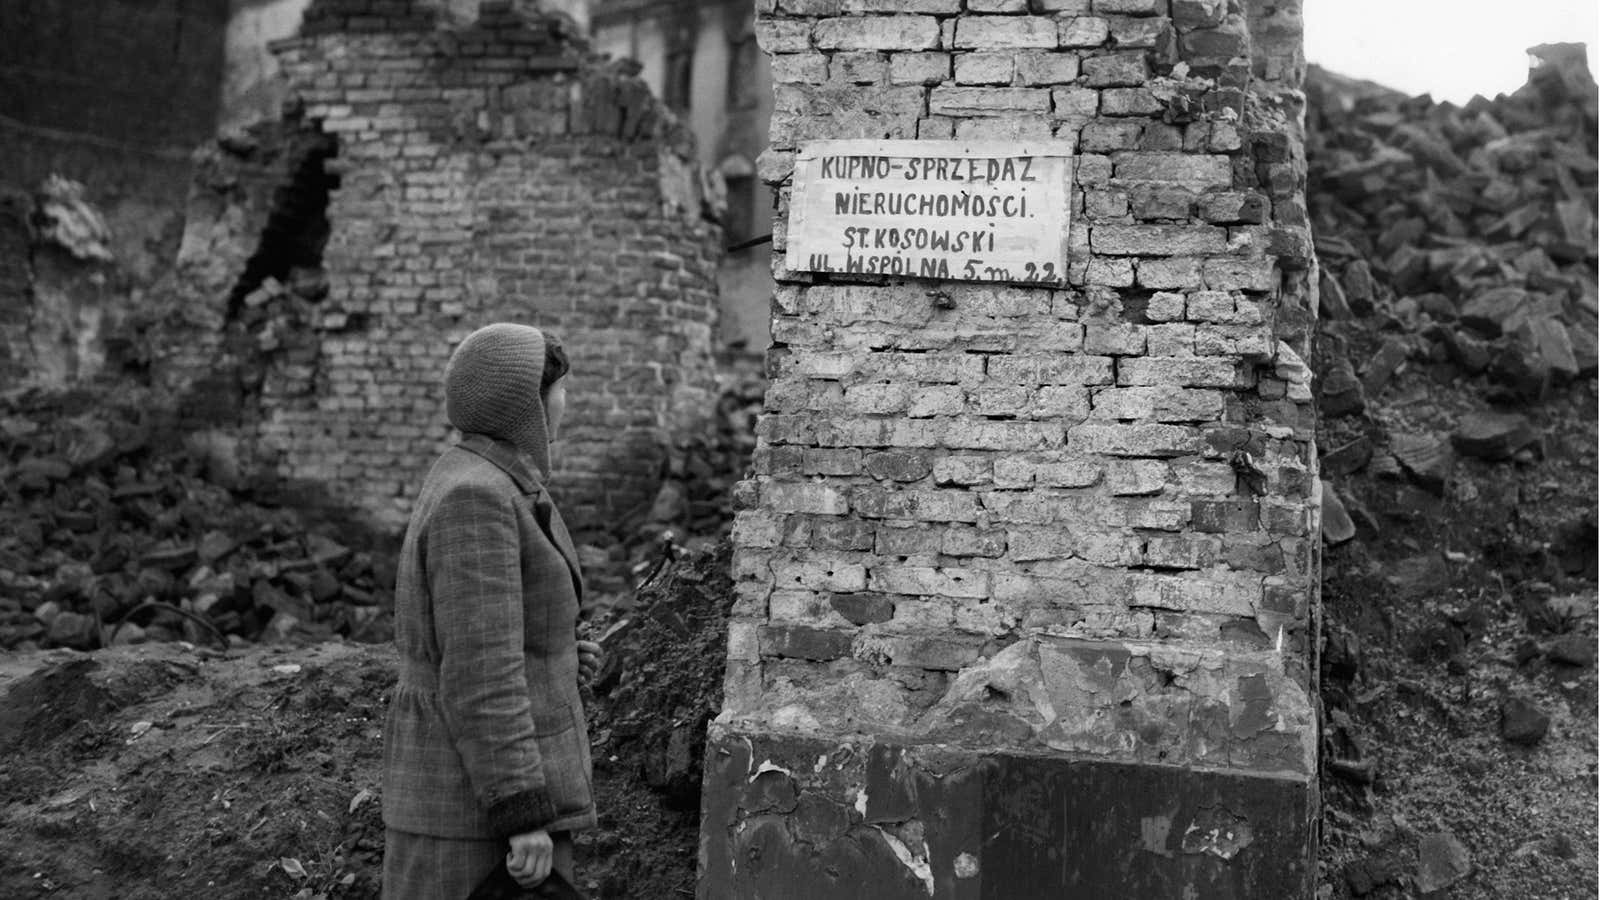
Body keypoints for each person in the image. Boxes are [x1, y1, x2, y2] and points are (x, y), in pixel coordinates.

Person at [382, 323, 602, 898]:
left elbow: (493, 628)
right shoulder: (478, 497)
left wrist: (556, 651)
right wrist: (521, 815)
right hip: (470, 817)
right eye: (559, 391)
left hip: (475, 800)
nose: (566, 405)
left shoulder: (487, 477)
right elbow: (480, 675)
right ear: (526, 405)